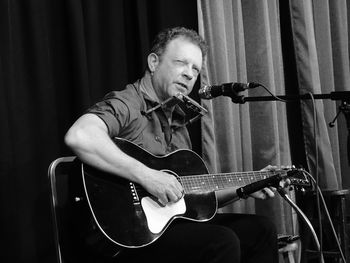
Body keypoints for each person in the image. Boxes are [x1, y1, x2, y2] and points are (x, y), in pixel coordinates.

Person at [65, 26, 279, 263]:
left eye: (195, 69)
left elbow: (191, 198)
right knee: (221, 241)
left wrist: (246, 187)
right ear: (154, 62)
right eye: (181, 63)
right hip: (128, 235)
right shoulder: (128, 104)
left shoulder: (178, 121)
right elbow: (80, 136)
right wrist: (148, 176)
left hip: (165, 228)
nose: (189, 74)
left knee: (261, 230)